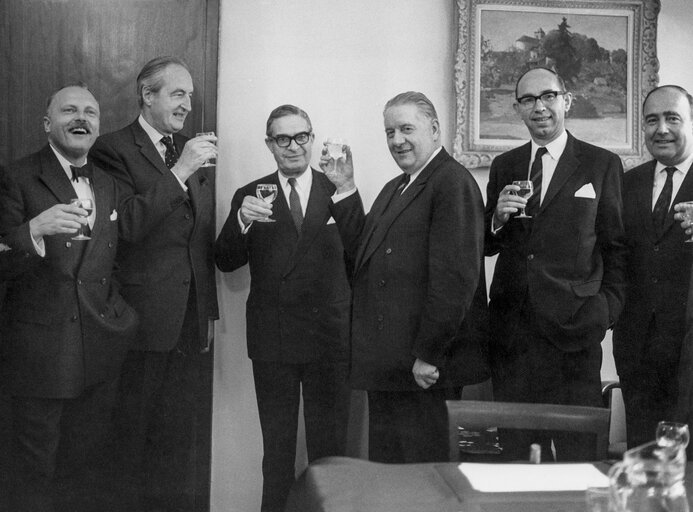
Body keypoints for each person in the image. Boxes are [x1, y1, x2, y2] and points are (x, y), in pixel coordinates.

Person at [325, 91, 489, 464]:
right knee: (392, 479)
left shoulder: (452, 182)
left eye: (406, 129)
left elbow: (455, 281)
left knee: (422, 481)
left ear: (434, 129)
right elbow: (364, 256)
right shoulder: (397, 186)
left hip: (423, 370)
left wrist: (428, 355)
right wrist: (345, 187)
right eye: (389, 132)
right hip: (390, 366)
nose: (396, 140)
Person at [214, 105, 360, 512]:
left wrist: (348, 192)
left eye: (301, 137)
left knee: (329, 455)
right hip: (273, 340)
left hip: (329, 339)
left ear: (312, 139)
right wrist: (241, 221)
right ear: (270, 145)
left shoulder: (339, 189)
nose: (293, 147)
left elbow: (361, 256)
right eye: (283, 139)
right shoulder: (251, 194)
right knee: (276, 455)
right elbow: (225, 261)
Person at [0, 83, 137, 512]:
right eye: (69, 111)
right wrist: (34, 231)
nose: (81, 119)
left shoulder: (110, 184)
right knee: (34, 470)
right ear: (47, 124)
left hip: (99, 349)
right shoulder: (16, 176)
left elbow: (113, 261)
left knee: (87, 466)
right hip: (39, 353)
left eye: (90, 113)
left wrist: (120, 317)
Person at [90, 56, 218, 511]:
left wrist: (207, 312)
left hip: (188, 324)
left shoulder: (189, 148)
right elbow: (122, 226)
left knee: (175, 444)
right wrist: (180, 171)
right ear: (147, 95)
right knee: (130, 442)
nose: (188, 103)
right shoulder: (112, 149)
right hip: (139, 324)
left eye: (190, 95)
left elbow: (197, 238)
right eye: (177, 93)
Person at [485, 67, 627, 461]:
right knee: (516, 458)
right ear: (517, 109)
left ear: (566, 100)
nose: (539, 107)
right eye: (528, 100)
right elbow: (485, 245)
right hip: (512, 336)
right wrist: (496, 218)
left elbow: (616, 247)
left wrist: (604, 312)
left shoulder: (601, 164)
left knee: (577, 458)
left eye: (548, 96)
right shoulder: (505, 165)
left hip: (575, 334)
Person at [613, 85, 693, 448]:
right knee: (642, 455)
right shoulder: (627, 184)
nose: (661, 129)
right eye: (652, 120)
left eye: (672, 118)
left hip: (689, 348)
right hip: (637, 347)